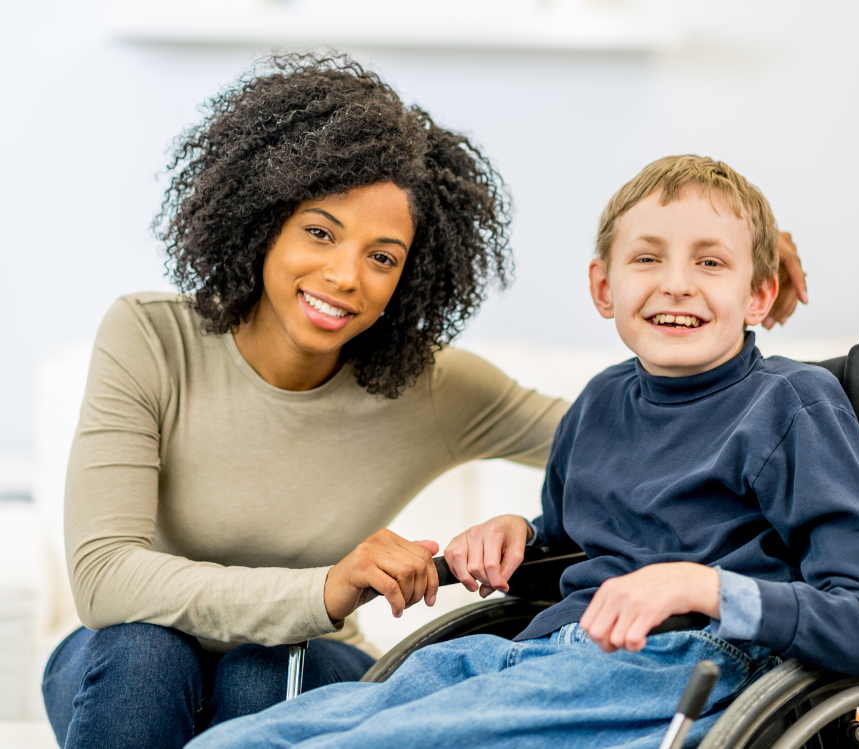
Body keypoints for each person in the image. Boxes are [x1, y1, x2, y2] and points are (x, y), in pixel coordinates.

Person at [40, 51, 808, 749]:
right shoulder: (149, 337)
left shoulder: (434, 385)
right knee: (142, 647)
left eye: (382, 257)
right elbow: (107, 575)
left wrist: (724, 294)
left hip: (298, 664)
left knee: (261, 669)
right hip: (127, 661)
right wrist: (325, 587)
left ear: (411, 275)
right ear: (261, 220)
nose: (346, 276)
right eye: (319, 232)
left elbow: (640, 445)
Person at [186, 155, 859, 749]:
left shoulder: (789, 406)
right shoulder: (598, 403)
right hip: (541, 653)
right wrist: (520, 535)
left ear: (759, 295)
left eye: (710, 262)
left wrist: (697, 586)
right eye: (647, 258)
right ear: (604, 287)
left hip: (684, 663)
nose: (676, 282)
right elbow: (571, 550)